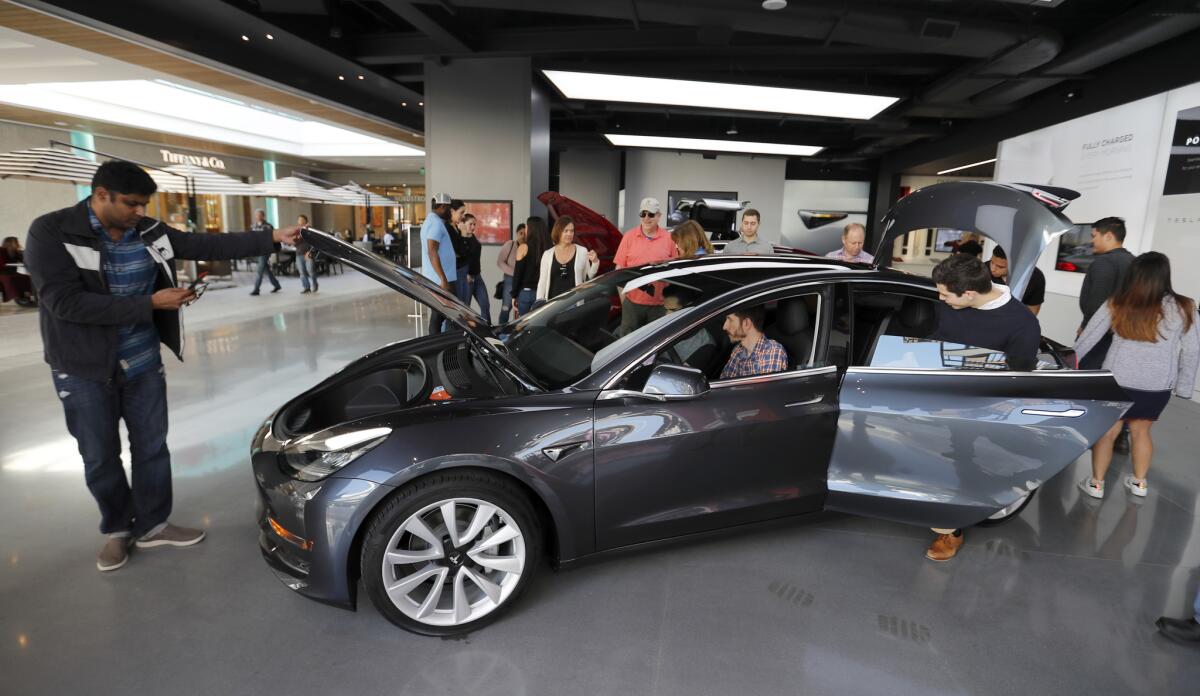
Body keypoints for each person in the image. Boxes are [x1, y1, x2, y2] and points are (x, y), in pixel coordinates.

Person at [24, 160, 300, 572]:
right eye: (132, 204)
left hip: (141, 360)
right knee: (100, 454)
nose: (140, 212)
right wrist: (150, 303)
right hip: (83, 366)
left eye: (144, 204)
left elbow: (205, 244)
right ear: (101, 195)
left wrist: (273, 237)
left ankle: (152, 524)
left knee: (151, 447)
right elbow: (64, 302)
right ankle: (118, 529)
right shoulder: (52, 231)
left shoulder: (149, 232)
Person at [922, 252, 1042, 562]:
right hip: (937, 398)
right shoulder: (951, 304)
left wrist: (971, 408)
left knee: (960, 465)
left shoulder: (1022, 324)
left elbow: (1018, 382)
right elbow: (940, 339)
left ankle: (951, 531)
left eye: (945, 294)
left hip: (979, 410)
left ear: (971, 293)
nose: (940, 299)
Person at [1075, 252, 1198, 500]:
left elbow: (1087, 338)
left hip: (1117, 380)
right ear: (1165, 275)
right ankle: (1139, 483)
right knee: (1142, 432)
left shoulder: (1117, 302)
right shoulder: (1185, 306)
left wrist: (1070, 371)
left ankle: (1097, 484)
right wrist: (1185, 388)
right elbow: (1193, 351)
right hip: (1156, 385)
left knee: (1108, 433)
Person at [1078, 217, 1137, 451]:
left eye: (1094, 236)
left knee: (1090, 382)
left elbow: (1096, 304)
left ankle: (1090, 431)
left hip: (1099, 336)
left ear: (1109, 236)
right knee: (1118, 384)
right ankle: (1120, 435)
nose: (1092, 241)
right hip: (1126, 335)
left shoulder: (1103, 263)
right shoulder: (1134, 263)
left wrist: (1086, 326)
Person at [614, 196, 677, 335]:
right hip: (631, 304)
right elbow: (619, 271)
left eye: (651, 214)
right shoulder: (629, 237)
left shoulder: (669, 239)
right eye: (643, 214)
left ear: (659, 216)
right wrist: (624, 300)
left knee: (655, 345)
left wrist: (670, 306)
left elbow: (675, 273)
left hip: (659, 307)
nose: (646, 218)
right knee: (626, 344)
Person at [536, 215, 599, 302]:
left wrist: (595, 262)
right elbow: (542, 283)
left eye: (572, 231)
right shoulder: (547, 254)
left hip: (574, 303)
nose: (569, 234)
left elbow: (588, 277)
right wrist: (539, 303)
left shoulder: (582, 251)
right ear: (558, 231)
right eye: (566, 231)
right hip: (552, 305)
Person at [419, 193, 458, 334]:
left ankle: (440, 346)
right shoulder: (435, 224)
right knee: (442, 317)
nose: (450, 212)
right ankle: (439, 348)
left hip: (440, 278)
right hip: (441, 280)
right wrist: (443, 279)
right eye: (449, 208)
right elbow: (432, 251)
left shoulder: (432, 221)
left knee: (441, 316)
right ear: (442, 207)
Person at [719, 305, 789, 379]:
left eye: (730, 320)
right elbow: (723, 382)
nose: (724, 326)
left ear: (746, 323)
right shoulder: (737, 351)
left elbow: (765, 390)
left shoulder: (773, 351)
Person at [663, 286, 715, 366]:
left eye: (673, 310)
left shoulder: (705, 345)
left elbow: (679, 375)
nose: (667, 314)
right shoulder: (663, 328)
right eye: (666, 309)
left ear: (689, 308)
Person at [988, 246, 1045, 315]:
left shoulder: (1035, 278)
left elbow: (1032, 311)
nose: (992, 269)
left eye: (1000, 267)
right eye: (992, 262)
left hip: (1015, 321)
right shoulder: (982, 270)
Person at [512, 216, 551, 317]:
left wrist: (514, 295)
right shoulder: (550, 248)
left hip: (526, 293)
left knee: (524, 326)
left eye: (526, 226)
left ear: (530, 228)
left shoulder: (523, 247)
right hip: (544, 293)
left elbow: (517, 274)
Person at [460, 213, 492, 322]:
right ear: (463, 223)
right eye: (470, 224)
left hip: (477, 277)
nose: (473, 227)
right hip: (466, 279)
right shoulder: (459, 240)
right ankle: (461, 332)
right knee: (465, 308)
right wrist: (465, 274)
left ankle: (487, 331)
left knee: (485, 305)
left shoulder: (473, 238)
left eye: (474, 224)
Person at [248, 208, 281, 295]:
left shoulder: (268, 226)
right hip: (257, 251)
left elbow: (271, 238)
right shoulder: (253, 226)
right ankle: (276, 285)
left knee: (259, 270)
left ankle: (256, 289)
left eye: (260, 215)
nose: (258, 217)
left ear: (263, 216)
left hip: (265, 251)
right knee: (266, 269)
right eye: (257, 215)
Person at [496, 223, 524, 324]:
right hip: (510, 279)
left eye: (525, 234)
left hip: (523, 281)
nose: (523, 236)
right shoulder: (510, 245)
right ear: (517, 233)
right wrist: (515, 273)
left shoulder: (528, 247)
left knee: (521, 308)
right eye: (521, 233)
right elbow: (500, 262)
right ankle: (500, 332)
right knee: (506, 307)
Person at [0, 236, 37, 307]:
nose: (16, 244)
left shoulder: (16, 252)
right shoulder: (1, 251)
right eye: (14, 242)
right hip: (2, 273)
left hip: (12, 273)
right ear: (8, 243)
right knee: (10, 279)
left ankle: (27, 295)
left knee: (27, 277)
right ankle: (18, 297)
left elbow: (25, 261)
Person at [449, 200, 470, 305]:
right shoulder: (448, 228)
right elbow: (461, 251)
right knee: (459, 305)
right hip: (456, 271)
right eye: (461, 213)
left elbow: (465, 251)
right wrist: (464, 234)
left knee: (465, 304)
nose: (463, 216)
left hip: (463, 270)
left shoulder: (456, 227)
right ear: (452, 211)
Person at [294, 214, 317, 294]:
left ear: (305, 221)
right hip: (298, 254)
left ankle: (315, 284)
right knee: (302, 272)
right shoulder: (297, 231)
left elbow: (314, 242)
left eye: (302, 219)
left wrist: (310, 252)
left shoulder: (309, 230)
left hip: (308, 253)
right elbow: (295, 243)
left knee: (310, 271)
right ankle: (306, 287)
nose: (300, 221)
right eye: (299, 220)